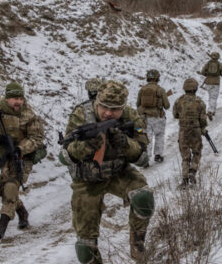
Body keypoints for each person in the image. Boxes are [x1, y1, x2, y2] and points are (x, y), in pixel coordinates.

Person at [59, 80, 154, 263]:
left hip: (118, 172)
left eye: (115, 109)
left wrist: (125, 144)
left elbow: (143, 158)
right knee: (85, 248)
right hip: (87, 179)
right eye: (103, 107)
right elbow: (65, 156)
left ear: (123, 107)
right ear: (97, 102)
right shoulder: (81, 115)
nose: (108, 113)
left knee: (143, 198)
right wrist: (85, 147)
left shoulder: (130, 117)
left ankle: (137, 245)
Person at [0, 81, 47, 239]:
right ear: (7, 98)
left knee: (11, 185)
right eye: (15, 98)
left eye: (21, 98)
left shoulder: (29, 114)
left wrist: (20, 148)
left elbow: (37, 138)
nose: (18, 102)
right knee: (4, 190)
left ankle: (2, 225)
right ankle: (22, 212)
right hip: (5, 155)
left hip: (24, 156)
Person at [173, 78, 207, 186]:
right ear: (195, 88)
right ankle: (193, 171)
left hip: (183, 131)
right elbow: (203, 119)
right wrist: (202, 128)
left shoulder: (179, 101)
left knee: (185, 156)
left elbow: (175, 115)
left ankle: (184, 180)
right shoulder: (199, 102)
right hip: (196, 131)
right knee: (197, 152)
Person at [136, 69, 170, 164]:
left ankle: (146, 159)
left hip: (145, 118)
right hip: (158, 117)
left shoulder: (142, 90)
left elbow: (138, 104)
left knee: (147, 137)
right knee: (159, 135)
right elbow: (167, 106)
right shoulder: (160, 90)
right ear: (157, 78)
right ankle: (158, 155)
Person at [199, 51, 222, 120]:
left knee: (210, 97)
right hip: (216, 83)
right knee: (213, 97)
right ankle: (211, 111)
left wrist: (207, 75)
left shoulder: (208, 63)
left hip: (208, 82)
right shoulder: (220, 64)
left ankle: (213, 110)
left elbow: (202, 72)